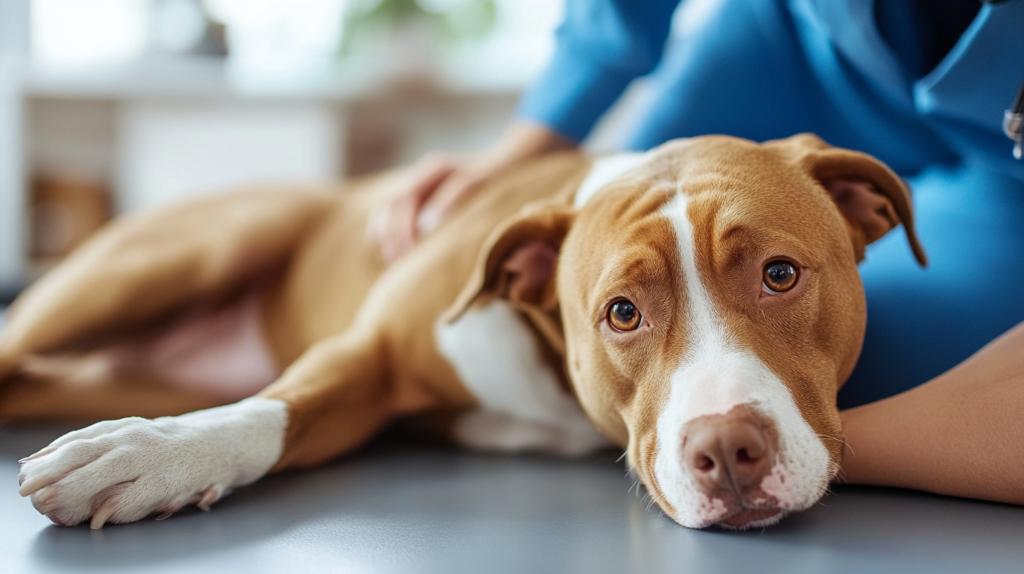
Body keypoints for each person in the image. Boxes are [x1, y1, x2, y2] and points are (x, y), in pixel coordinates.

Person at [371, 0, 1024, 505]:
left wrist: (781, 442)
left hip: (1009, 175)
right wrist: (528, 142)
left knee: (871, 362)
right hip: (807, 40)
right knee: (643, 248)